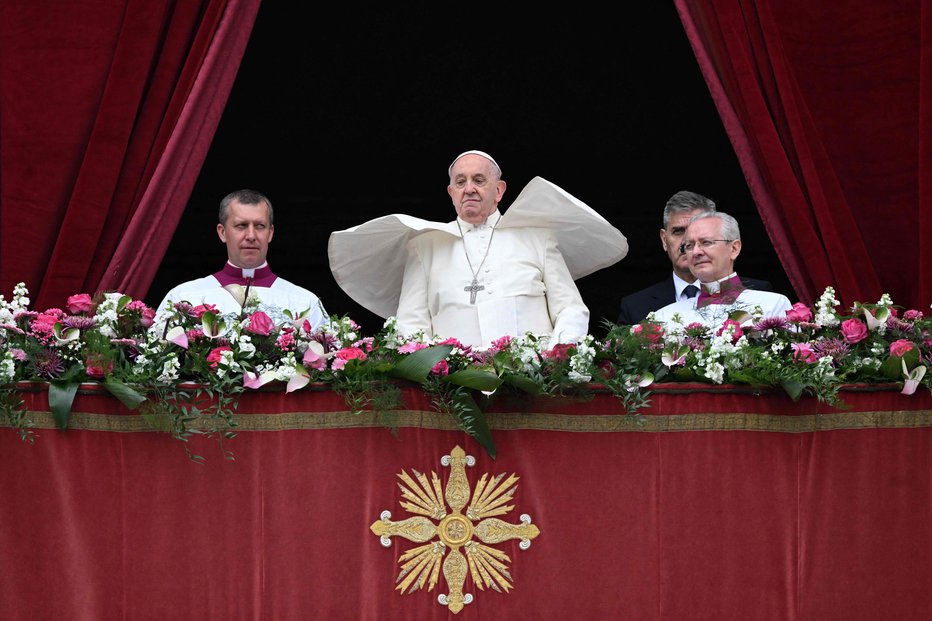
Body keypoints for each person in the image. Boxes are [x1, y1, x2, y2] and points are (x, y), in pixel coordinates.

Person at [328, 150, 628, 350]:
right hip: (454, 397)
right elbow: (412, 326)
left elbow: (570, 308)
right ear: (451, 193)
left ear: (499, 190)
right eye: (461, 182)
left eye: (479, 180)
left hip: (531, 391)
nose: (469, 188)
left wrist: (556, 356)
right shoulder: (424, 247)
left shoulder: (537, 238)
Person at [154, 189, 327, 329]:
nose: (251, 235)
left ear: (270, 233)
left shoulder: (305, 302)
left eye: (260, 226)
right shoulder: (183, 297)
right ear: (222, 232)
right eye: (241, 226)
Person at [616, 191, 773, 325]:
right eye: (678, 231)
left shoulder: (760, 295)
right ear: (664, 240)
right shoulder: (636, 307)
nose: (688, 243)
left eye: (702, 235)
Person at [651, 211, 792, 329]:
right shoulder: (665, 317)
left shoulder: (772, 305)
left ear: (734, 248)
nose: (696, 252)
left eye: (706, 242)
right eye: (689, 245)